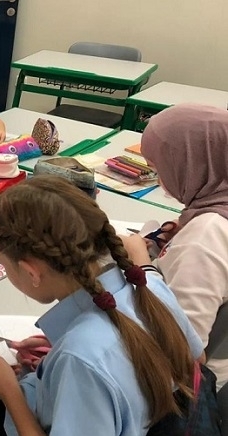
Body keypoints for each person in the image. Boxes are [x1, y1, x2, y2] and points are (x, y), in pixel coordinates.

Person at [0, 175, 208, 435]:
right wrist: (59, 353)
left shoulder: (79, 359)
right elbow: (197, 358)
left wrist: (8, 391)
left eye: (2, 263)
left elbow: (91, 359)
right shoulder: (150, 286)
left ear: (32, 272)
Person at [123, 103, 228, 388]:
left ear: (193, 165)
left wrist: (140, 261)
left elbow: (182, 348)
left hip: (178, 387)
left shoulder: (205, 237)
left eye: (159, 169)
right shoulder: (213, 214)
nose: (161, 182)